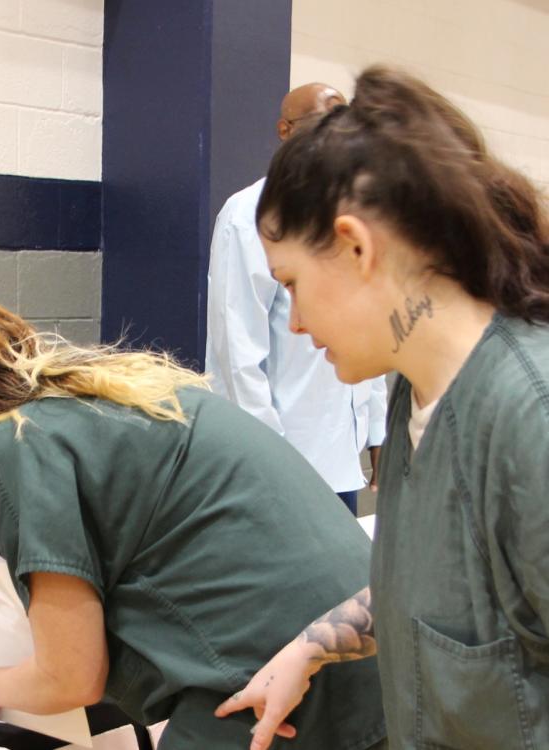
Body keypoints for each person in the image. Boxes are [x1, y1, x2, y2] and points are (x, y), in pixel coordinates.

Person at [0, 286, 387, 749]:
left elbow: (70, 675)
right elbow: (71, 616)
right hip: (366, 657)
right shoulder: (132, 395)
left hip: (270, 691)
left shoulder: (22, 441)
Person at [215, 66, 549, 750]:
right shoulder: (413, 393)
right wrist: (307, 650)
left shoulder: (529, 419)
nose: (298, 323)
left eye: (294, 286)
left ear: (357, 247)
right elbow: (445, 600)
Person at [205, 82, 387, 513]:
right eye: (322, 121)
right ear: (284, 130)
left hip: (342, 456)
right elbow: (237, 353)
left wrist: (377, 431)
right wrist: (272, 461)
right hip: (284, 461)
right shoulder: (248, 214)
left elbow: (370, 324)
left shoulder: (354, 213)